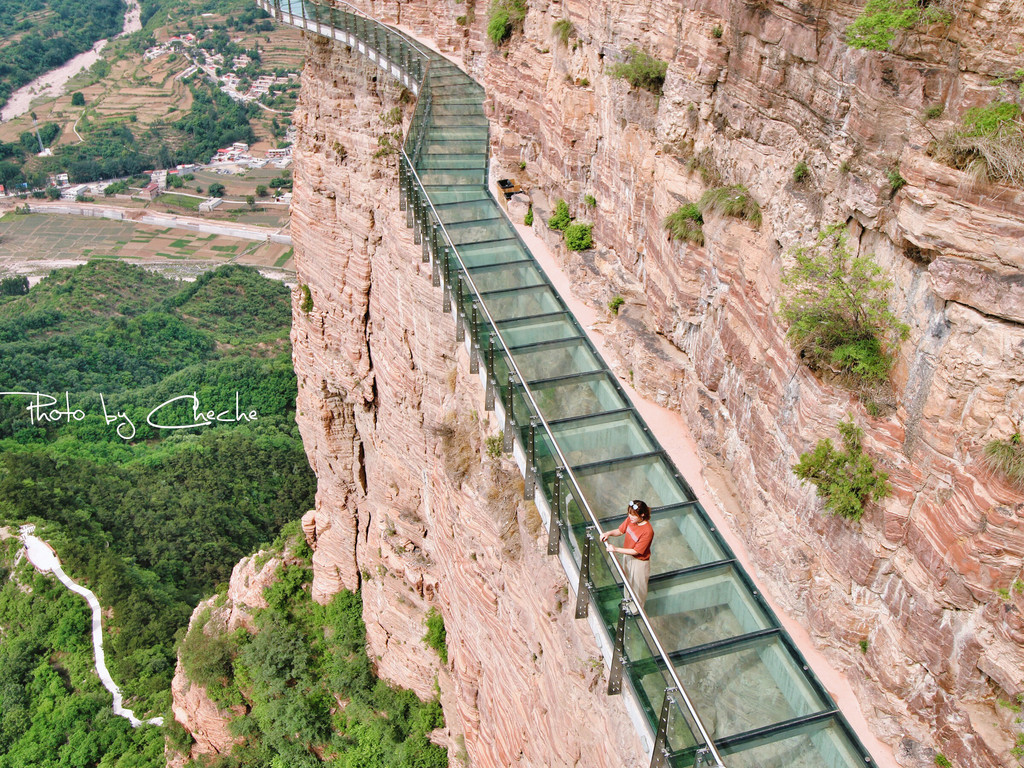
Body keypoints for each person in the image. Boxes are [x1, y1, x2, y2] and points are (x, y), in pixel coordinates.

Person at [600, 499, 653, 608]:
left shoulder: (648, 531)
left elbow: (636, 551)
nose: (630, 517)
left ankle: (636, 609)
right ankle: (627, 602)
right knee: (627, 579)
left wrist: (616, 549)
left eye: (633, 515)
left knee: (639, 587)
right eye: (629, 514)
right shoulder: (631, 520)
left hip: (639, 561)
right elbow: (620, 531)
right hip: (627, 555)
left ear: (642, 515)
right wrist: (608, 533)